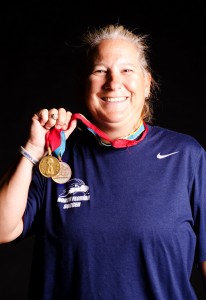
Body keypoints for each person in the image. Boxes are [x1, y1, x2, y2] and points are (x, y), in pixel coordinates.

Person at [0, 23, 206, 300]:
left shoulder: (186, 155)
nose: (113, 83)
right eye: (100, 71)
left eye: (126, 70)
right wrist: (32, 150)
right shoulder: (53, 155)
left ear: (147, 84)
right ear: (83, 84)